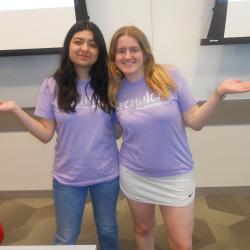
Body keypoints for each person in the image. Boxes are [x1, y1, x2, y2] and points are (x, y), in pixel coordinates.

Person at [108, 25, 250, 250]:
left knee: (182, 244)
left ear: (144, 51)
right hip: (134, 173)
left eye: (133, 49)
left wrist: (218, 93)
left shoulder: (168, 75)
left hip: (175, 175)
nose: (127, 56)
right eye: (121, 51)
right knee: (142, 229)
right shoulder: (114, 90)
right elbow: (115, 132)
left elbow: (195, 121)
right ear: (113, 57)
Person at [0, 20, 120, 250]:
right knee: (66, 237)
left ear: (99, 51)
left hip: (106, 174)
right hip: (68, 177)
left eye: (92, 44)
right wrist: (16, 110)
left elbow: (116, 132)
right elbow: (46, 135)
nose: (85, 48)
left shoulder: (110, 84)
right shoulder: (51, 85)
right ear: (68, 46)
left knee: (108, 230)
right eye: (79, 42)